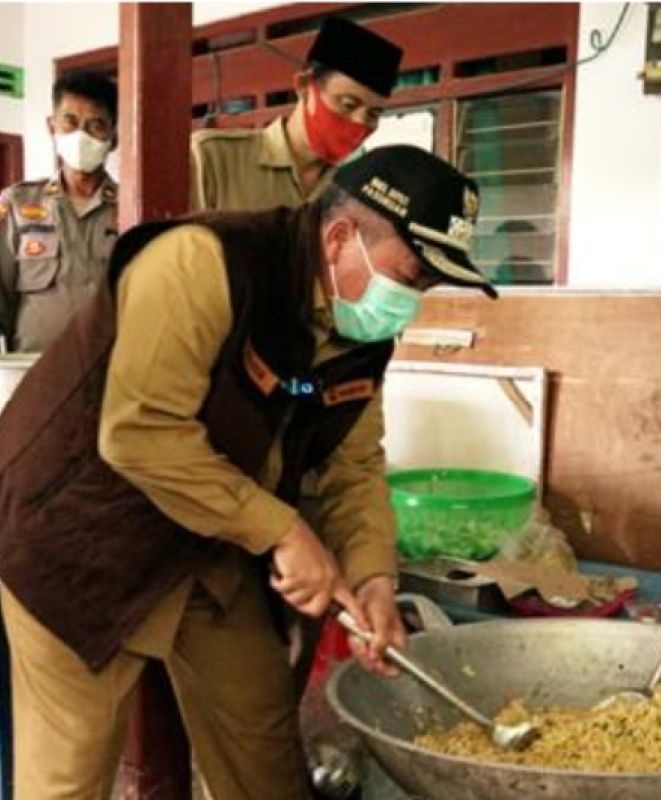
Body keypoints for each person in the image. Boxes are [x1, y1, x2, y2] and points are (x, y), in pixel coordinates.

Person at [0, 144, 494, 799]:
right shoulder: (202, 262)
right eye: (410, 278)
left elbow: (354, 463)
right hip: (77, 538)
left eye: (428, 286)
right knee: (69, 780)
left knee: (263, 754)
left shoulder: (363, 331)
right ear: (342, 236)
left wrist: (374, 574)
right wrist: (286, 532)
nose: (412, 302)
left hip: (209, 537)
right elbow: (140, 432)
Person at [190, 16, 403, 213]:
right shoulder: (213, 159)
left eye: (373, 114)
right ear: (303, 86)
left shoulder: (351, 192)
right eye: (348, 104)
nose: (359, 123)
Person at [0, 70, 118, 353]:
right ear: (51, 126)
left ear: (113, 136)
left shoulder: (132, 209)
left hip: (109, 371)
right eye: (71, 122)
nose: (82, 135)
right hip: (34, 373)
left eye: (96, 125)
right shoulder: (17, 203)